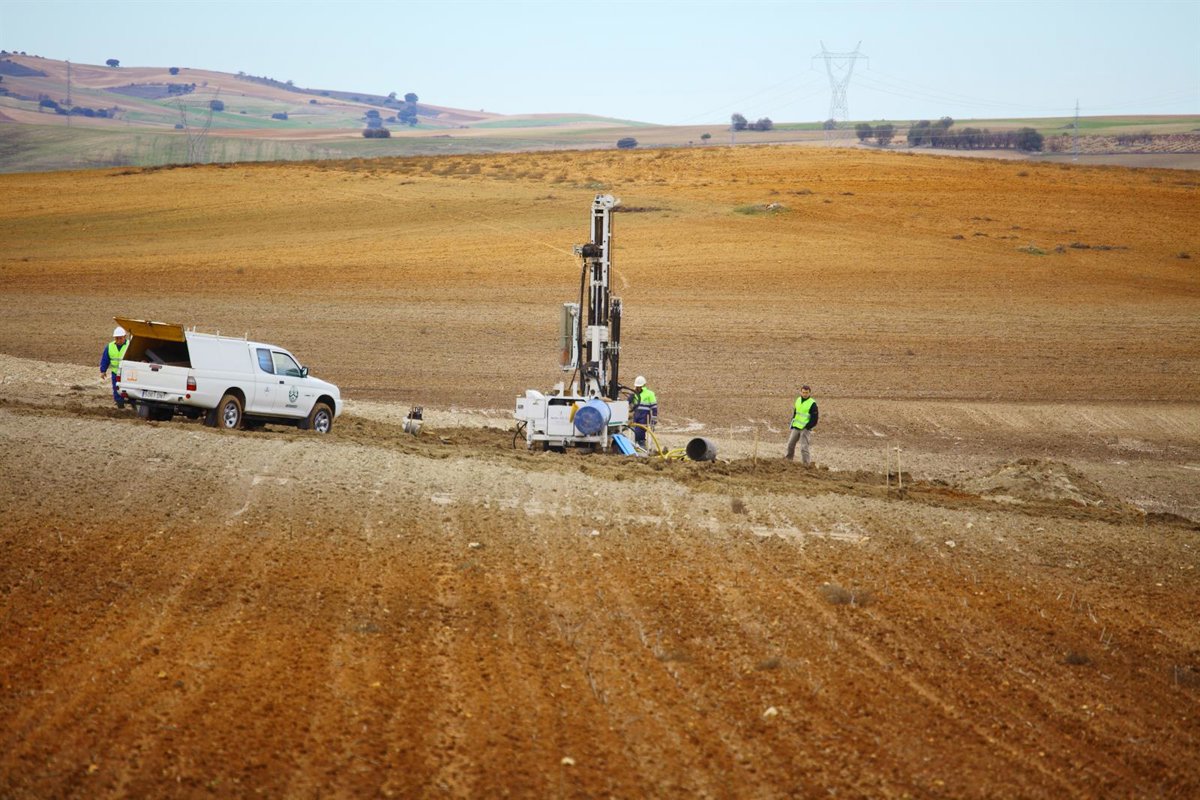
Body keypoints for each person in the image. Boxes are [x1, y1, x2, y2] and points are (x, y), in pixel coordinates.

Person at [785, 384, 819, 465]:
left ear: (809, 393)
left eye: (806, 393)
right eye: (803, 392)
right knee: (790, 444)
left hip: (805, 428)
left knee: (804, 447)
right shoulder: (798, 400)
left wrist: (807, 427)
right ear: (801, 392)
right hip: (796, 426)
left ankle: (806, 465)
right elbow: (795, 412)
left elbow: (815, 418)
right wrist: (793, 422)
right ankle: (788, 461)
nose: (805, 394)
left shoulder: (812, 403)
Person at [100, 325, 130, 409]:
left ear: (124, 337)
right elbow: (105, 359)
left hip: (127, 372)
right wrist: (103, 371)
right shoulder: (110, 346)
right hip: (115, 372)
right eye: (117, 338)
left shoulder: (130, 345)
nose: (118, 340)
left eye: (120, 338)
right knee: (116, 388)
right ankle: (120, 404)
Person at [628, 375, 658, 447]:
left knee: (640, 431)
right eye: (637, 386)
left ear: (643, 385)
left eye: (639, 386)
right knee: (634, 431)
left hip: (644, 417)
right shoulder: (634, 394)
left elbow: (654, 407)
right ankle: (636, 445)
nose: (638, 388)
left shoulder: (649, 394)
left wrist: (654, 419)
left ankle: (642, 444)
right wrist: (630, 399)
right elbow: (629, 405)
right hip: (636, 416)